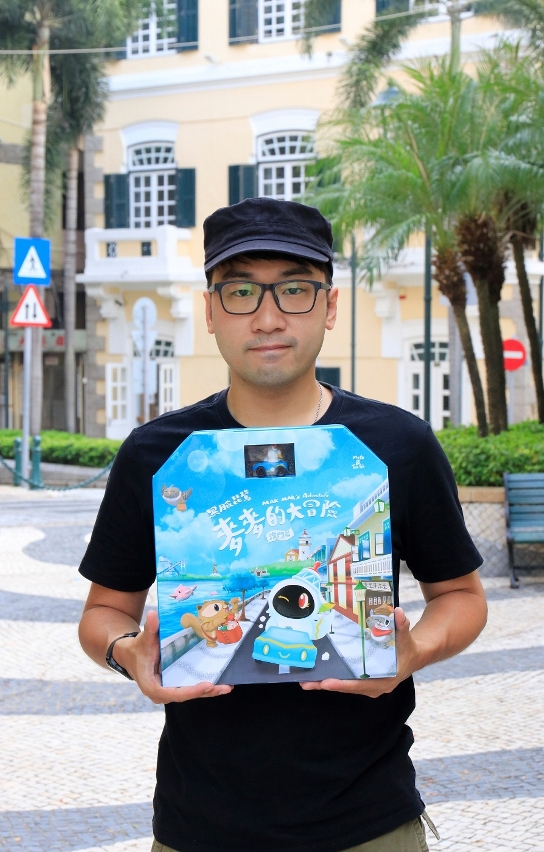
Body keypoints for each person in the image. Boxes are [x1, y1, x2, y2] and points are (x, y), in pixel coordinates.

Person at [78, 197, 487, 852]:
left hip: (369, 824)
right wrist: (128, 652)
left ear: (330, 306)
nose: (268, 318)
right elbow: (103, 612)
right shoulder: (158, 455)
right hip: (198, 828)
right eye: (241, 291)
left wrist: (414, 651)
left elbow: (461, 596)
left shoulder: (399, 445)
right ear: (210, 311)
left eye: (294, 289)